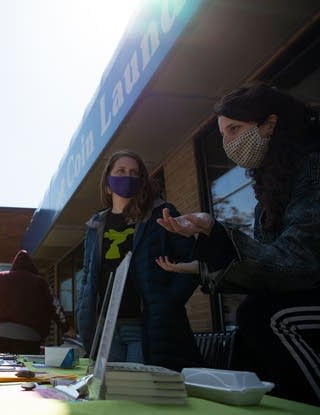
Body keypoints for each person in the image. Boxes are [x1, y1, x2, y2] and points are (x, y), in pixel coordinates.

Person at [156, 83, 320, 406]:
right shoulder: (268, 190)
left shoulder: (313, 167)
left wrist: (217, 234)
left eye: (234, 129)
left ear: (269, 124)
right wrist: (207, 248)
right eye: (222, 134)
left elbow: (299, 260)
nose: (227, 142)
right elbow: (269, 270)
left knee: (265, 316)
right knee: (250, 321)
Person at [75, 150, 203, 371]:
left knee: (138, 391)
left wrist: (168, 301)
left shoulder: (161, 214)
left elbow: (193, 260)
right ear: (107, 182)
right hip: (105, 328)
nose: (128, 176)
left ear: (142, 181)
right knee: (112, 397)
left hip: (144, 326)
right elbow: (88, 275)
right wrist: (83, 314)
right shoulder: (96, 225)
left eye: (134, 173)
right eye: (121, 171)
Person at [0, 249, 72, 354]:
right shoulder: (40, 282)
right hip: (30, 336)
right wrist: (67, 328)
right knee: (26, 368)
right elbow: (55, 306)